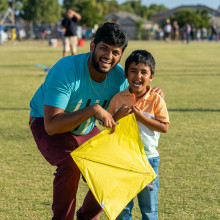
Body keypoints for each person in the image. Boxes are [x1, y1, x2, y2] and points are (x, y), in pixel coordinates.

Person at [29, 22, 164, 220]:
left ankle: (87, 217)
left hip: (84, 128)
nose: (109, 57)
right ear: (93, 47)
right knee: (72, 163)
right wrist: (93, 109)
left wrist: (154, 93)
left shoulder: (119, 77)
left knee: (114, 166)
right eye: (104, 48)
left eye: (115, 52)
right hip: (45, 121)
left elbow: (139, 89)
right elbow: (52, 125)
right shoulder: (66, 70)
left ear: (120, 56)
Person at [107, 50, 170, 220]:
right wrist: (117, 117)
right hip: (122, 160)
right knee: (122, 208)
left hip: (147, 160)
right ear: (126, 74)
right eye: (133, 71)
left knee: (149, 208)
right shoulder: (118, 99)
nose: (138, 76)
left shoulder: (156, 100)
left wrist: (140, 117)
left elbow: (164, 127)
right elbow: (107, 127)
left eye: (144, 72)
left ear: (151, 76)